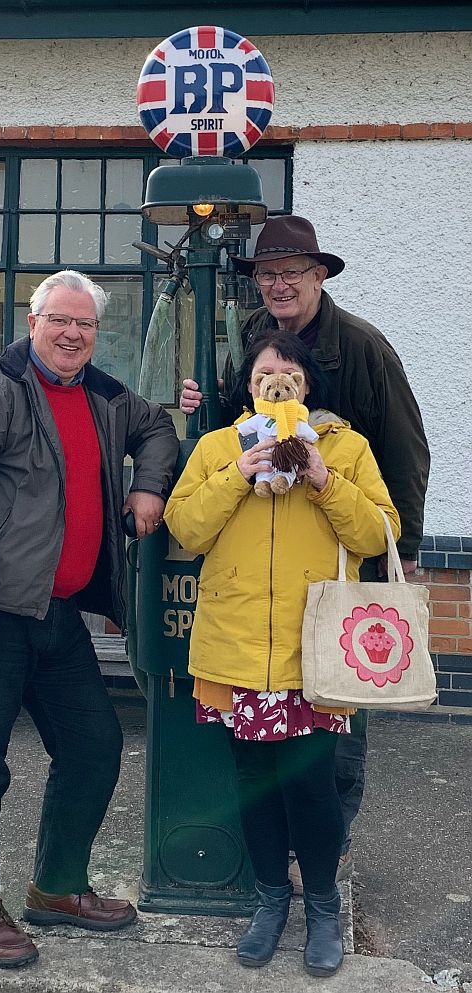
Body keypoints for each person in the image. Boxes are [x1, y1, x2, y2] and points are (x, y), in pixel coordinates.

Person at [0, 269, 179, 969]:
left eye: (84, 324)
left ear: (96, 333)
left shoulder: (103, 395)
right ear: (33, 322)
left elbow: (156, 425)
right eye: (59, 320)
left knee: (94, 744)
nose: (71, 333)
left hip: (53, 613)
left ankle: (58, 887)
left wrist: (149, 483)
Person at [180, 215, 429, 890]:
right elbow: (233, 436)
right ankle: (279, 859)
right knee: (267, 741)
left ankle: (331, 851)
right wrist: (201, 404)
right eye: (267, 274)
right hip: (261, 578)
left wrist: (396, 554)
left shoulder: (364, 348)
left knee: (339, 705)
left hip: (347, 556)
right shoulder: (256, 348)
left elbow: (405, 453)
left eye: (292, 272)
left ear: (319, 276)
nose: (279, 284)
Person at [166, 329, 400, 977]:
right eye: (264, 372)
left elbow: (380, 531)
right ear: (249, 386)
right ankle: (271, 899)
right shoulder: (218, 446)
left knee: (311, 784)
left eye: (288, 373)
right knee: (253, 782)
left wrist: (325, 479)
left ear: (306, 385)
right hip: (235, 648)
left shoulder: (346, 446)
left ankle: (320, 904)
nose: (276, 381)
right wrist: (238, 474)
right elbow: (185, 527)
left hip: (315, 649)